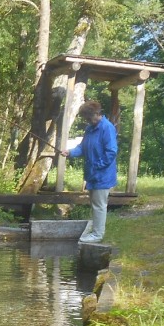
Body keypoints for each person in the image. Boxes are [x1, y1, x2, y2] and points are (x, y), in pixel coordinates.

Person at [60, 100, 118, 243]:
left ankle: (98, 234)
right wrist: (70, 152)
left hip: (102, 174)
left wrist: (98, 165)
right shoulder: (90, 129)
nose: (87, 121)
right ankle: (95, 231)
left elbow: (111, 152)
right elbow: (82, 147)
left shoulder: (107, 128)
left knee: (99, 205)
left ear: (97, 114)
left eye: (88, 118)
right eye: (86, 118)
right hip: (92, 174)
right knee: (94, 204)